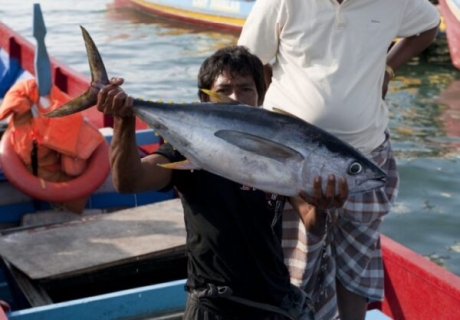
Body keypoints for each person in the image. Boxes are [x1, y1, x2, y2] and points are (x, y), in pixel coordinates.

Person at [95, 45, 347, 319]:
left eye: (245, 89)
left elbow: (312, 221)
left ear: (260, 96)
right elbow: (129, 182)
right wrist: (123, 121)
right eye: (224, 90)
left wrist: (323, 204)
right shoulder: (187, 150)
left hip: (273, 299)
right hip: (212, 304)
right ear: (205, 99)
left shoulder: (276, 149)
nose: (235, 98)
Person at [238, 1, 440, 319]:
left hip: (365, 154)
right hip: (293, 162)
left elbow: (430, 23)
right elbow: (250, 61)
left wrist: (388, 68)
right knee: (293, 263)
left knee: (355, 264)